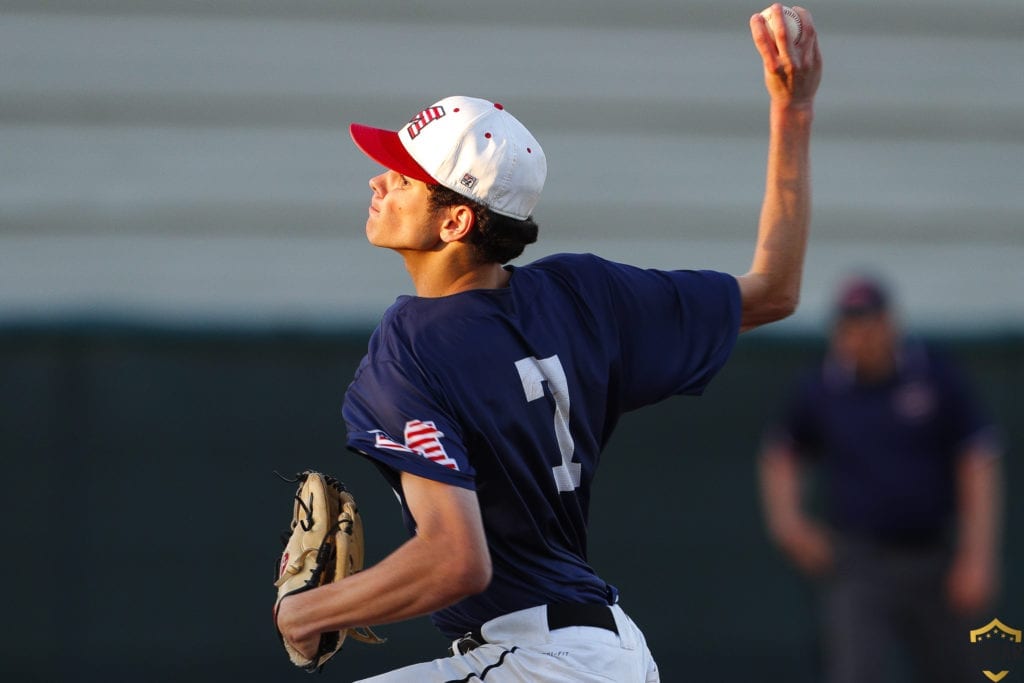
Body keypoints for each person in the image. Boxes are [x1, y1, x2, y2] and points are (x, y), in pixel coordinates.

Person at [276, 5, 822, 681]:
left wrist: (306, 612)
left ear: (455, 220)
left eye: (403, 174)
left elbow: (455, 560)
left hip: (540, 661)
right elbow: (775, 289)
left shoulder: (411, 344)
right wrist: (792, 112)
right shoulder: (584, 293)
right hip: (611, 650)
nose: (377, 179)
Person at [758, 275, 1004, 683]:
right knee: (854, 670)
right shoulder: (822, 386)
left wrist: (978, 556)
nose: (861, 337)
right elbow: (781, 452)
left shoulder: (934, 375)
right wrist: (788, 525)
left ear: (890, 323)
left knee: (969, 670)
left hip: (936, 556)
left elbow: (978, 459)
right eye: (850, 327)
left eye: (870, 324)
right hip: (859, 561)